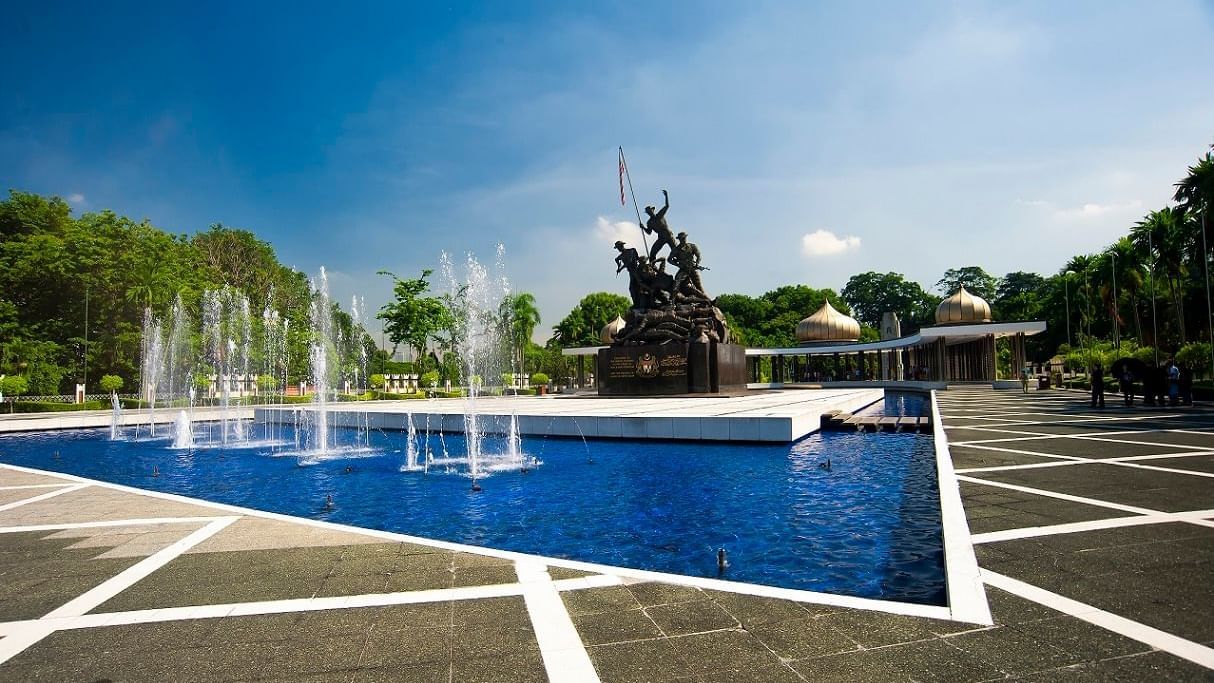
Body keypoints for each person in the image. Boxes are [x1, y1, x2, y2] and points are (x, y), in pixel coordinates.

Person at [641, 189, 676, 261]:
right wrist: (643, 227)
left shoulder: (659, 215)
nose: (649, 212)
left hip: (668, 235)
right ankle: (653, 267)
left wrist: (666, 196)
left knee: (676, 251)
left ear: (653, 210)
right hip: (661, 237)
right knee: (653, 252)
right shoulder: (649, 222)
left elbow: (667, 206)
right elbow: (649, 232)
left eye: (650, 210)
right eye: (648, 212)